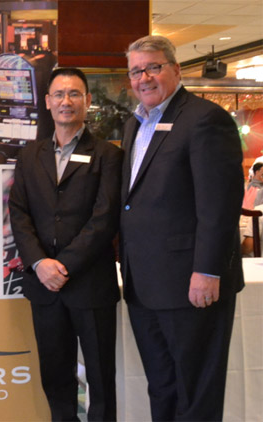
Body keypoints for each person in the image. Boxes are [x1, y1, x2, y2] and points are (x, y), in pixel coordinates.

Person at [119, 35, 243, 421]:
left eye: (153, 67)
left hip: (191, 284)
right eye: (136, 71)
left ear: (175, 69)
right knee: (162, 386)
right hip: (145, 284)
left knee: (196, 392)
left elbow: (219, 206)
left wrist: (207, 271)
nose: (144, 78)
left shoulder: (205, 119)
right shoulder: (134, 124)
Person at [9, 67, 122, 421]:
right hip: (44, 287)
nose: (66, 101)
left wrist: (65, 265)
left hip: (90, 284)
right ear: (47, 102)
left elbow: (104, 219)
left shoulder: (107, 155)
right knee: (55, 376)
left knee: (101, 379)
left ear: (87, 101)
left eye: (74, 94)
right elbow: (18, 214)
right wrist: (40, 263)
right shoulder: (30, 156)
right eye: (59, 94)